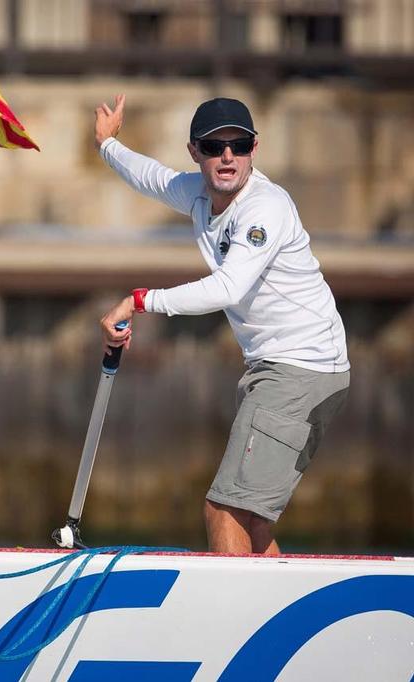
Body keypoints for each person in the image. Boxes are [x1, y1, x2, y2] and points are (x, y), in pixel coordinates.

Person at [94, 95, 350, 554]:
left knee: (224, 509)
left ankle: (235, 624)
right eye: (214, 146)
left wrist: (139, 301)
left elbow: (227, 288)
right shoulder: (195, 190)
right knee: (251, 521)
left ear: (255, 148)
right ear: (194, 152)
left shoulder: (265, 207)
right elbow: (151, 177)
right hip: (283, 368)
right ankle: (274, 621)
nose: (227, 156)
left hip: (301, 368)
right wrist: (108, 144)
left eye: (239, 144)